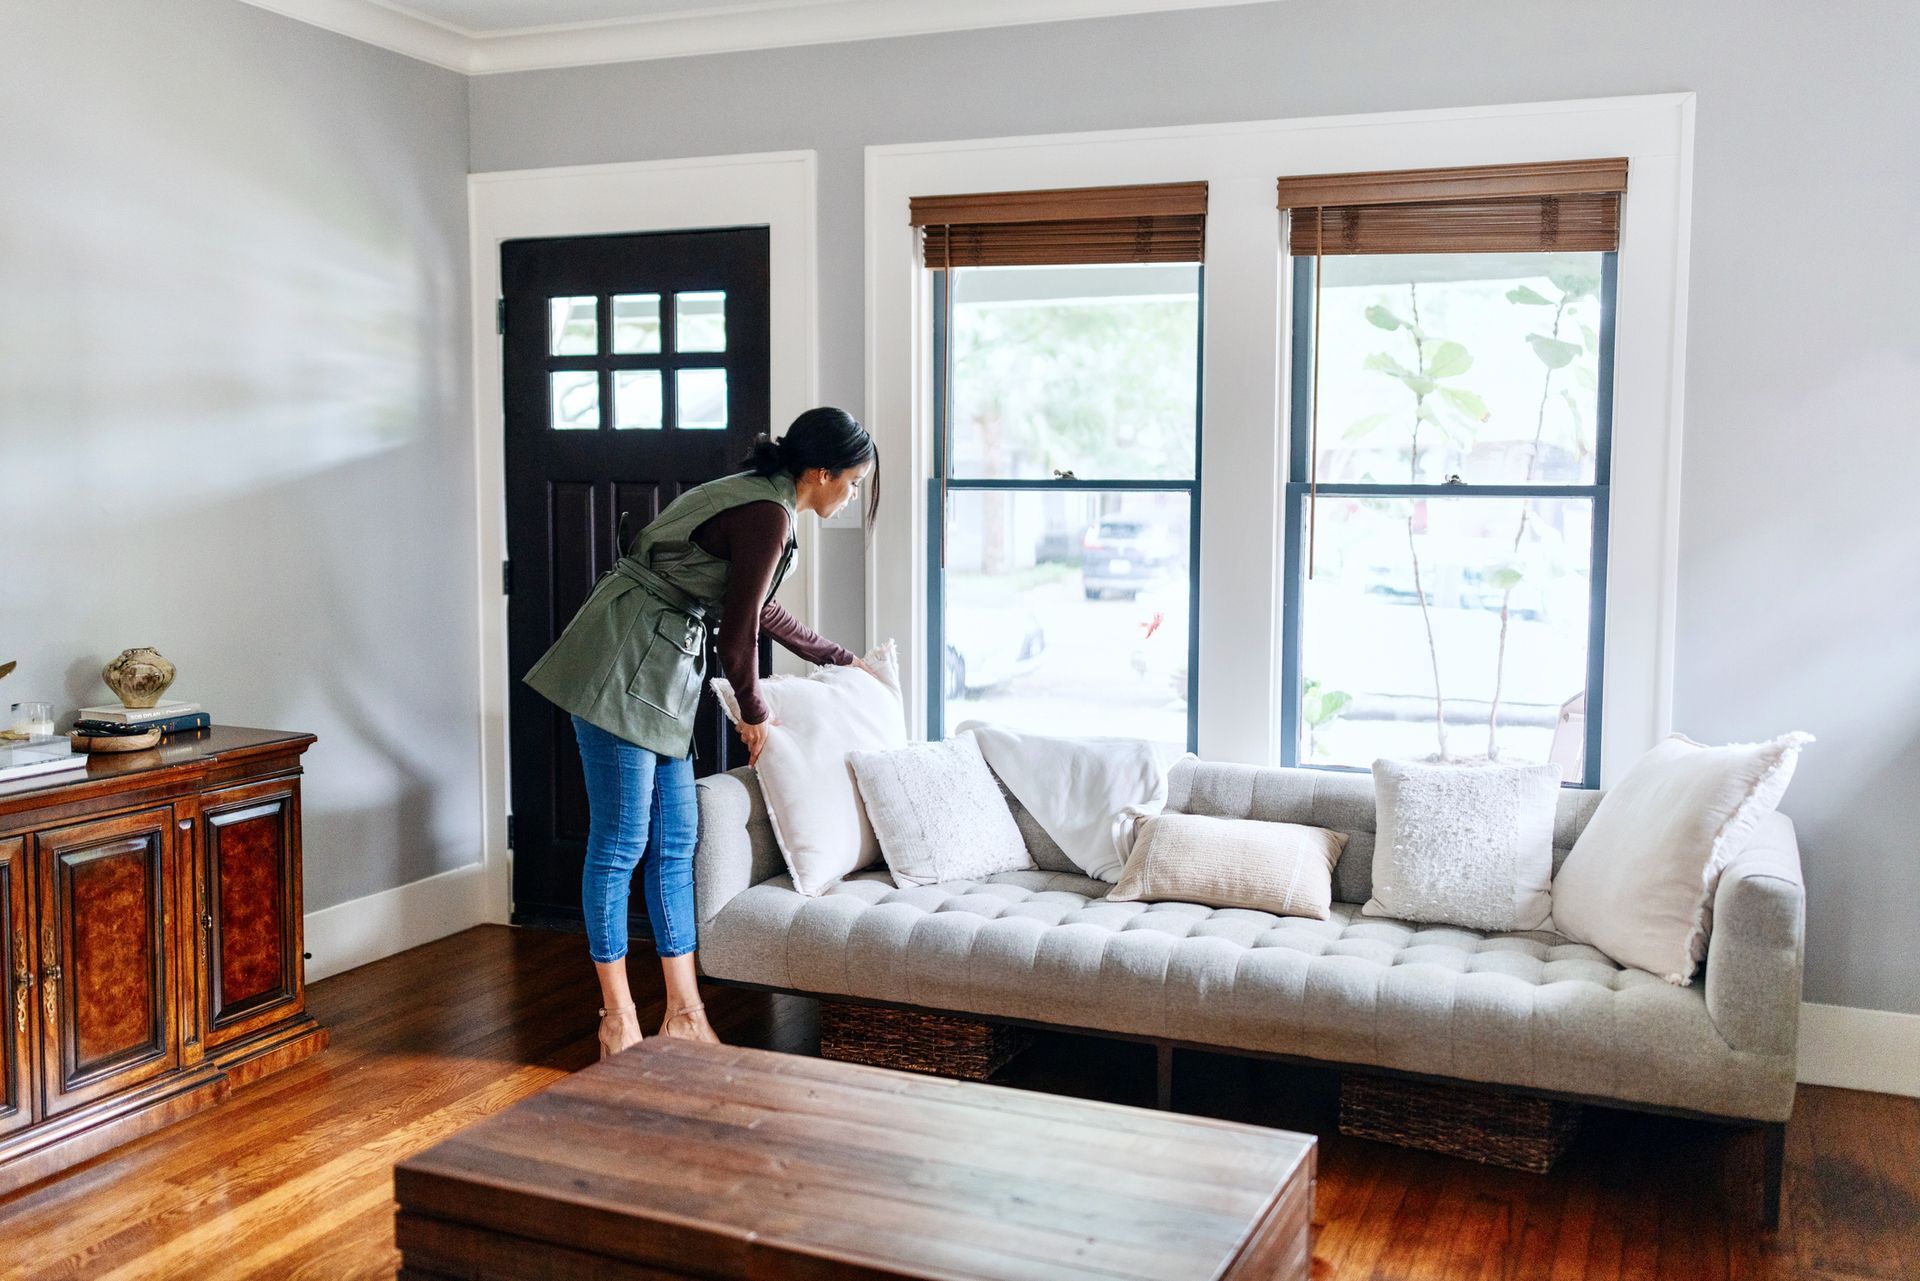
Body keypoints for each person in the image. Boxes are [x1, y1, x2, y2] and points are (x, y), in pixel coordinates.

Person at [523, 407, 878, 1057]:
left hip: (662, 672)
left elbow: (758, 605)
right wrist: (755, 714)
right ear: (821, 473)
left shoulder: (765, 502)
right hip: (619, 662)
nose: (850, 493)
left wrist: (837, 656)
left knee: (676, 839)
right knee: (621, 840)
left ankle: (685, 1013)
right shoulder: (767, 511)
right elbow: (739, 629)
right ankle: (618, 1017)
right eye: (852, 481)